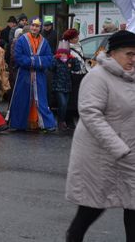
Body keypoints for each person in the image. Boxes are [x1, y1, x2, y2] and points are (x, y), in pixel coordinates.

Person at [65, 30, 135, 241]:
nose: (134, 59)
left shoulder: (131, 77)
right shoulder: (97, 77)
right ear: (112, 53)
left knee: (133, 205)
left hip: (128, 155)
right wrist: (118, 146)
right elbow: (90, 114)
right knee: (91, 208)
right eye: (129, 54)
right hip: (99, 156)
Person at [7, 17, 56, 132]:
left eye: (37, 26)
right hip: (24, 74)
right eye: (33, 26)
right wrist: (35, 61)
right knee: (22, 99)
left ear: (40, 28)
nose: (34, 28)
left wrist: (34, 61)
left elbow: (49, 58)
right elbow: (18, 57)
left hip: (39, 75)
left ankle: (45, 124)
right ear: (30, 26)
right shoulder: (22, 40)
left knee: (41, 100)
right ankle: (18, 124)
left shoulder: (44, 42)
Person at [51, 40, 80, 131]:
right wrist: (55, 59)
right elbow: (51, 68)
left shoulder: (70, 60)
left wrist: (75, 60)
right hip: (58, 86)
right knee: (62, 104)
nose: (63, 55)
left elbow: (77, 68)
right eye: (61, 53)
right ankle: (61, 121)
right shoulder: (56, 60)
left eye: (65, 53)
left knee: (65, 105)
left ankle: (61, 121)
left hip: (67, 86)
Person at [63, 28, 88, 129]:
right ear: (70, 39)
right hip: (73, 75)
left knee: (80, 97)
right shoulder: (66, 48)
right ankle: (69, 120)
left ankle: (77, 118)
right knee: (72, 98)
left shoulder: (79, 46)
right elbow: (64, 63)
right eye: (75, 37)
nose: (78, 38)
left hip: (82, 74)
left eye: (77, 36)